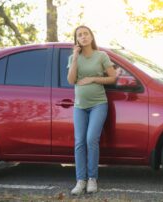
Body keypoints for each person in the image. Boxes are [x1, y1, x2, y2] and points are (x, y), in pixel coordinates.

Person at [67, 25, 117, 195]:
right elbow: (71, 80)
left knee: (91, 140)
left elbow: (113, 77)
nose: (83, 37)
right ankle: (80, 180)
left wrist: (92, 79)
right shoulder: (73, 57)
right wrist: (74, 57)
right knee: (79, 142)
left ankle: (92, 179)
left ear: (91, 36)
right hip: (80, 106)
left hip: (98, 104)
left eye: (86, 33)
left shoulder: (101, 55)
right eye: (80, 35)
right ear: (77, 39)